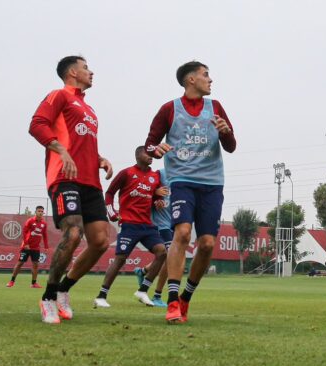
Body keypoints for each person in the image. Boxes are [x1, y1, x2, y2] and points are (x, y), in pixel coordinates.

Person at [146, 61, 236, 324]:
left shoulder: (215, 107)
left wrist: (226, 133)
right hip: (182, 180)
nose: (211, 79)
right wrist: (156, 150)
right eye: (206, 75)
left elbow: (231, 146)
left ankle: (186, 297)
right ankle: (172, 301)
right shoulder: (169, 109)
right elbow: (149, 144)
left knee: (207, 244)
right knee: (183, 233)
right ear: (190, 80)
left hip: (212, 183)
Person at [28, 56, 114, 324]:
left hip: (91, 182)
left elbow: (81, 141)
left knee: (101, 241)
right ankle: (48, 297)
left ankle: (64, 289)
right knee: (74, 233)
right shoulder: (59, 96)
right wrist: (60, 149)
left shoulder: (88, 108)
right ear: (73, 72)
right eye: (86, 67)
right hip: (64, 177)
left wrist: (99, 158)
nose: (91, 71)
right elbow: (37, 125)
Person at [93, 147, 169, 309]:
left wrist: (158, 199)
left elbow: (156, 197)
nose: (150, 157)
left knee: (162, 252)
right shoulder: (126, 173)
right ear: (137, 156)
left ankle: (143, 290)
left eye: (152, 155)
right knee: (120, 259)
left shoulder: (155, 176)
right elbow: (110, 193)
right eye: (146, 154)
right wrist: (112, 213)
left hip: (148, 225)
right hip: (129, 224)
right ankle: (101, 295)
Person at [135, 169, 173, 307]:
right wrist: (155, 195)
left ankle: (143, 271)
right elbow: (142, 190)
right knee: (170, 257)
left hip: (174, 223)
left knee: (167, 257)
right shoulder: (160, 174)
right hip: (160, 224)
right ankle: (157, 295)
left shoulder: (184, 174)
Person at [7, 206, 49, 288]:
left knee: (36, 264)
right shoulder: (30, 221)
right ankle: (11, 281)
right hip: (26, 247)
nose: (40, 212)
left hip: (36, 248)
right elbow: (24, 232)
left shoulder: (44, 224)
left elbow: (45, 235)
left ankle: (33, 283)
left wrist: (46, 246)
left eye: (42, 211)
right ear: (35, 212)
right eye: (39, 211)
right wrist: (26, 244)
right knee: (20, 263)